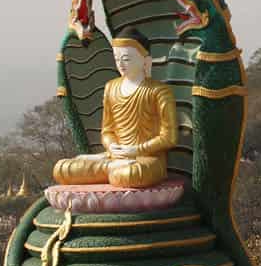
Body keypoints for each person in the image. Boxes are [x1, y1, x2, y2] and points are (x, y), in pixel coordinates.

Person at [53, 27, 178, 188]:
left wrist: (136, 150)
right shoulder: (111, 88)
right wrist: (112, 146)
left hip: (148, 160)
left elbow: (169, 137)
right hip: (115, 157)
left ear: (145, 61)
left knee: (131, 175)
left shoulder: (159, 91)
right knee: (63, 169)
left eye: (126, 58)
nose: (120, 64)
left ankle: (110, 169)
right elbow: (107, 130)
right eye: (117, 58)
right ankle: (111, 168)